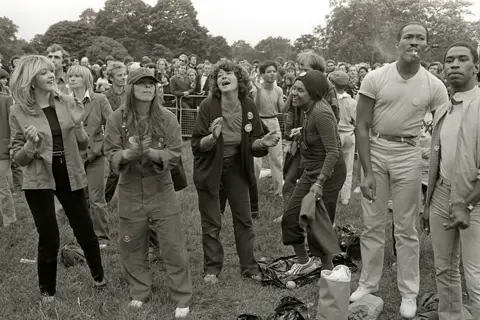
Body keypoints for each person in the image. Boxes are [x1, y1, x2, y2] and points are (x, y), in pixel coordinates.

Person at [351, 22, 449, 319]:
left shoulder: (434, 84)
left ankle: (409, 291)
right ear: (399, 42)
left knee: (406, 228)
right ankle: (368, 284)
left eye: (421, 37)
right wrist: (366, 172)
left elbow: (445, 129)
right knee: (372, 224)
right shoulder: (376, 77)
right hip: (377, 151)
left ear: (426, 45)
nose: (414, 42)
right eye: (409, 36)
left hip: (408, 154)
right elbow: (361, 125)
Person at [9, 55, 106, 302]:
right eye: (44, 72)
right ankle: (48, 294)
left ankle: (99, 278)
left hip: (69, 172)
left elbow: (84, 143)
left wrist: (77, 124)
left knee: (85, 229)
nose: (52, 75)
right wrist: (31, 145)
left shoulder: (66, 102)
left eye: (52, 70)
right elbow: (18, 159)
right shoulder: (17, 111)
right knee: (49, 235)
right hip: (38, 177)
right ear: (31, 80)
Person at [104, 68, 192, 318]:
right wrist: (126, 154)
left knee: (173, 245)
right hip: (130, 189)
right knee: (132, 244)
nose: (148, 87)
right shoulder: (116, 119)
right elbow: (110, 153)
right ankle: (139, 291)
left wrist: (153, 153)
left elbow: (175, 153)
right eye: (141, 83)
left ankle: (182, 296)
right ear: (130, 88)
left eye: (151, 84)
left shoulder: (167, 118)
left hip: (161, 190)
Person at [191, 60, 280, 285]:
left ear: (239, 80)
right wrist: (212, 137)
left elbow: (253, 144)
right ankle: (212, 268)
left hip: (237, 169)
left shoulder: (248, 105)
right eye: (219, 74)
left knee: (244, 220)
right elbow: (196, 145)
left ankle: (249, 267)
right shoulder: (207, 106)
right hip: (212, 169)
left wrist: (263, 142)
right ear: (216, 82)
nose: (223, 76)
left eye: (228, 73)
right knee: (212, 222)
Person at [422, 42, 480, 320]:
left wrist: (467, 204)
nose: (454, 64)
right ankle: (450, 316)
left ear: (476, 67)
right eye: (449, 60)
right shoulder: (444, 108)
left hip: (475, 199)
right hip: (442, 196)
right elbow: (439, 158)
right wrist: (429, 202)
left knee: (476, 275)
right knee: (444, 267)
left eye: (462, 59)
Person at [281, 70, 346, 274]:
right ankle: (305, 261)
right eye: (294, 88)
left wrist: (319, 182)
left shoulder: (320, 113)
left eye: (300, 90)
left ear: (313, 93)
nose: (294, 93)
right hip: (311, 172)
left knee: (317, 223)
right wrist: (303, 134)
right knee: (291, 217)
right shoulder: (309, 110)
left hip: (328, 174)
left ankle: (327, 269)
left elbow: (333, 152)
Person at [67, 65, 113, 247]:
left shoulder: (99, 99)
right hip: (73, 156)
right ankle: (82, 235)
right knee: (78, 199)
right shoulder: (63, 101)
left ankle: (101, 237)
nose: (72, 79)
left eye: (77, 76)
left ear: (86, 79)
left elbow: (111, 123)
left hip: (95, 155)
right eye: (70, 75)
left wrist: (102, 145)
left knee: (97, 199)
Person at [251, 61, 284, 197]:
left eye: (274, 71)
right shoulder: (256, 89)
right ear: (262, 74)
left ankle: (278, 191)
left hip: (274, 122)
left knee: (276, 158)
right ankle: (251, 189)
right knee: (256, 160)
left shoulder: (279, 90)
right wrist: (258, 91)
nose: (272, 74)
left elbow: (282, 109)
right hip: (259, 122)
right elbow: (255, 108)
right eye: (268, 72)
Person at [330, 71, 357, 205]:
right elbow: (356, 121)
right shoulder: (352, 101)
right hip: (349, 135)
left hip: (335, 135)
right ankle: (345, 197)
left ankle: (332, 194)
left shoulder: (330, 101)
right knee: (348, 167)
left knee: (332, 166)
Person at [0, 86, 16, 227]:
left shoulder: (6, 99)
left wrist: (12, 146)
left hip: (2, 148)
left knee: (1, 184)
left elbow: (13, 125)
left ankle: (9, 220)